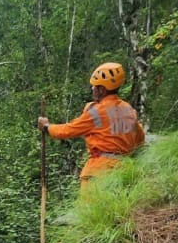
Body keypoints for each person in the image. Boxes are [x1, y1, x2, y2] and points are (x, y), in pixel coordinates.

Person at [37, 61, 145, 190]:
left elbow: (68, 130)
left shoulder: (96, 112)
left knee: (89, 209)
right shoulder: (129, 110)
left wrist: (47, 127)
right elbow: (140, 140)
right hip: (126, 172)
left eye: (94, 86)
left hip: (99, 172)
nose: (92, 89)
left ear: (102, 89)